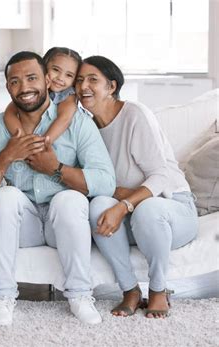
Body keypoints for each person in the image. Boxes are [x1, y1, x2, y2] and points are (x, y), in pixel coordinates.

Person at [0, 51, 116, 326]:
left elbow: (106, 181)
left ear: (48, 80)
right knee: (4, 197)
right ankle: (2, 296)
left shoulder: (77, 123)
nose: (24, 88)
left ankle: (81, 295)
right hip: (25, 226)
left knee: (69, 199)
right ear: (8, 87)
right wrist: (6, 156)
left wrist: (56, 168)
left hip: (65, 223)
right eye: (15, 81)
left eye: (32, 78)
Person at [77, 55, 199, 319]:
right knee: (97, 206)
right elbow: (97, 186)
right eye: (79, 80)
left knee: (149, 209)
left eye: (92, 80)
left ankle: (158, 290)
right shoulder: (86, 126)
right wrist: (119, 202)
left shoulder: (134, 114)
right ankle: (130, 290)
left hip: (172, 211)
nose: (83, 86)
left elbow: (160, 177)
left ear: (111, 86)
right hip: (133, 220)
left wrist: (124, 203)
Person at [4, 47, 81, 141]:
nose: (60, 78)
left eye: (69, 75)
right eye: (56, 70)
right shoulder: (34, 91)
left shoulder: (68, 95)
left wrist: (43, 144)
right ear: (43, 68)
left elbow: (64, 119)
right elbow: (9, 114)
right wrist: (24, 142)